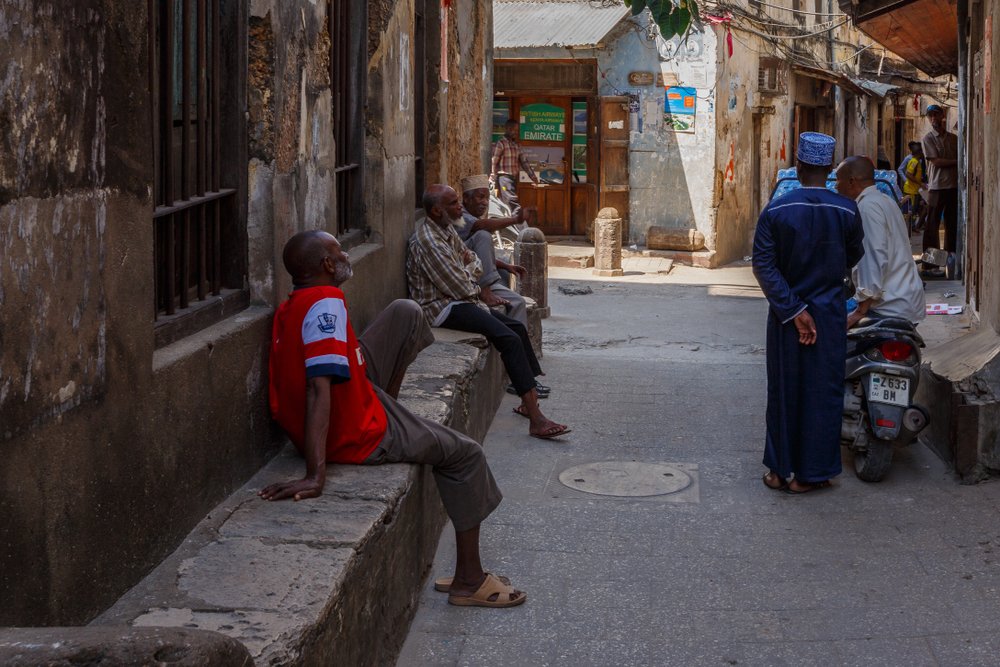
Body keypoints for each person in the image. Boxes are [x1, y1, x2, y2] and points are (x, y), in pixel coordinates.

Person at [261, 230, 526, 608]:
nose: (346, 256)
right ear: (326, 265)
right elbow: (318, 389)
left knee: (407, 311)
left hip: (355, 398)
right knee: (467, 456)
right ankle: (470, 580)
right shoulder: (326, 304)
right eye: (340, 252)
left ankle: (390, 407)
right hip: (355, 431)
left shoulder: (298, 301)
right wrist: (314, 475)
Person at [406, 185, 569, 439]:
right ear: (437, 210)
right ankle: (536, 418)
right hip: (441, 307)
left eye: (458, 202)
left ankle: (529, 397)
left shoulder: (446, 229)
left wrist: (469, 270)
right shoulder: (429, 240)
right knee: (508, 338)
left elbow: (473, 260)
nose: (459, 207)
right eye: (453, 203)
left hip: (459, 299)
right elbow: (461, 286)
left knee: (515, 327)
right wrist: (470, 273)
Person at [752, 132, 866, 495]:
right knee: (823, 391)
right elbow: (853, 256)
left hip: (787, 317)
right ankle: (810, 475)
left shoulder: (776, 210)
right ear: (830, 169)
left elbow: (764, 266)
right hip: (830, 315)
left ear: (798, 166)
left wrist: (795, 308)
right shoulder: (848, 210)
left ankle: (778, 470)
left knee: (784, 391)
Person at [835, 156, 926, 327]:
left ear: (851, 182)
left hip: (888, 306)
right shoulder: (886, 201)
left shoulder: (866, 208)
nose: (835, 186)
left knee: (820, 320)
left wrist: (860, 311)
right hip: (907, 301)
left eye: (838, 180)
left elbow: (873, 259)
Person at [456, 173, 534, 325]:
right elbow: (482, 226)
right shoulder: (459, 217)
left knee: (518, 302)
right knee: (484, 235)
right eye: (480, 197)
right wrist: (516, 220)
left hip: (477, 278)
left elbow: (480, 254)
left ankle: (517, 346)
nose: (485, 203)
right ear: (466, 198)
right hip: (465, 280)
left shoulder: (475, 217)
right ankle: (486, 292)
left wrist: (506, 265)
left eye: (487, 198)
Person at [921, 105, 959, 276]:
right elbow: (935, 162)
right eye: (930, 116)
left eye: (936, 114)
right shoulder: (928, 139)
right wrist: (957, 162)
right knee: (932, 227)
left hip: (953, 187)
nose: (933, 118)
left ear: (942, 116)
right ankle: (931, 265)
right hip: (936, 187)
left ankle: (950, 263)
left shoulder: (953, 139)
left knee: (952, 226)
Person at [491, 119, 538, 218]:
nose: (516, 132)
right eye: (513, 130)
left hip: (513, 179)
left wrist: (532, 176)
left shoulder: (517, 145)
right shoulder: (501, 143)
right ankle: (521, 229)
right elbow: (494, 162)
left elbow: (524, 162)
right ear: (507, 129)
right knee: (513, 205)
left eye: (517, 130)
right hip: (504, 178)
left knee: (506, 205)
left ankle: (508, 228)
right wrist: (492, 177)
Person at [898, 142, 927, 231]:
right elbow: (909, 174)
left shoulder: (916, 161)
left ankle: (912, 227)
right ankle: (911, 228)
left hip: (914, 189)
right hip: (912, 190)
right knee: (912, 210)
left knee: (914, 208)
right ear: (920, 152)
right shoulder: (914, 162)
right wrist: (920, 183)